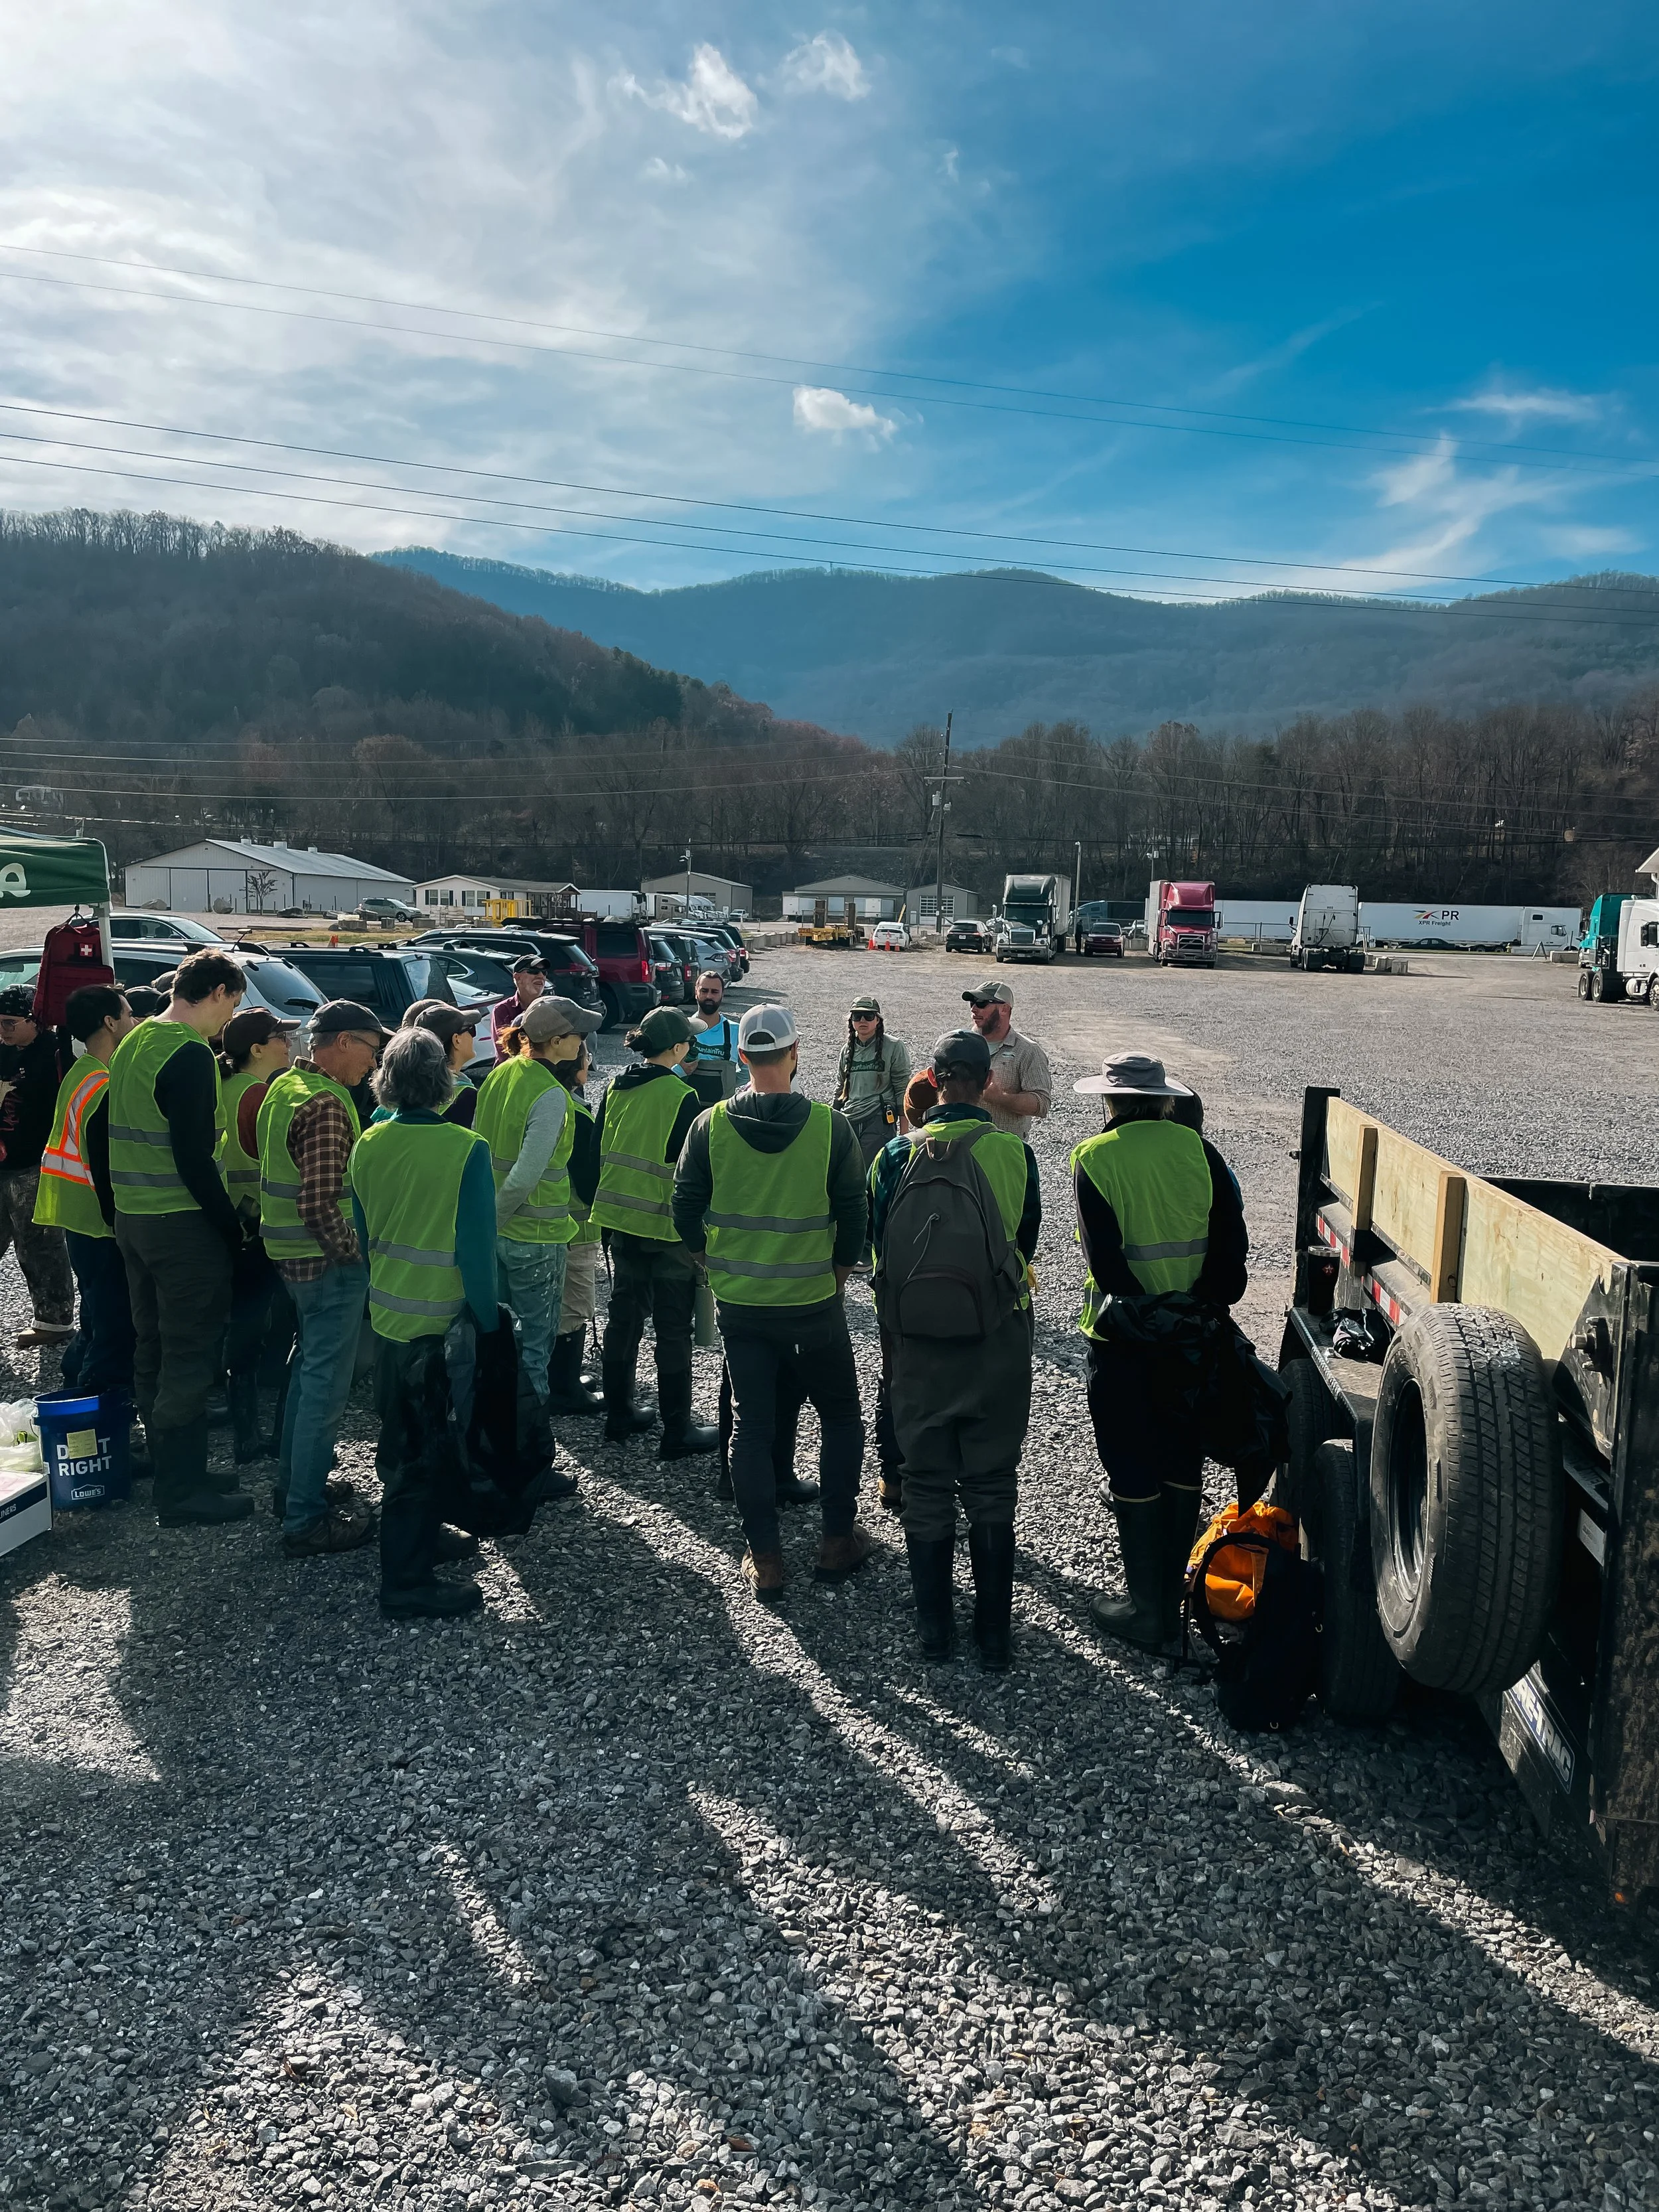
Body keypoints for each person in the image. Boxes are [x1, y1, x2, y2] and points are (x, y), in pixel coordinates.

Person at [673, 1003, 870, 1602]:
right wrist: (836, 1274)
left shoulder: (709, 1126)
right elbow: (853, 1213)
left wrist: (711, 1261)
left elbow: (684, 1208)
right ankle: (837, 1541)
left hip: (743, 1308)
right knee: (838, 1415)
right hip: (813, 1303)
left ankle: (765, 1559)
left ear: (741, 1056)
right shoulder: (830, 1127)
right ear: (795, 1053)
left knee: (752, 1426)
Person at [869, 1029, 1042, 1669]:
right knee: (993, 1481)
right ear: (985, 1080)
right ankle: (994, 1638)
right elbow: (1026, 1240)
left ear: (936, 1079)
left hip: (917, 1342)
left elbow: (877, 1244)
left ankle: (934, 1633)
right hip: (996, 1336)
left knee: (927, 1480)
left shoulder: (894, 1155)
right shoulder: (1013, 1154)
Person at [1071, 1051, 1248, 1649]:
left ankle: (1147, 1609)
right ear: (1167, 1100)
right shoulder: (1203, 1153)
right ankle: (1172, 1599)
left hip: (1123, 1342)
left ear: (1111, 1101)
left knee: (1130, 1464)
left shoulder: (1094, 1158)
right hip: (1194, 1337)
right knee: (1180, 1456)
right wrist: (1191, 1306)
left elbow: (1108, 1269)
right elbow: (1232, 1262)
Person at [349, 1027, 500, 1619]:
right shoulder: (466, 1149)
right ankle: (406, 1578)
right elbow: (477, 1251)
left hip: (388, 1312)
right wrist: (489, 1326)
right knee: (421, 1449)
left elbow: (363, 1235)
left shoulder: (369, 1142)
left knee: (404, 1432)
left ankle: (425, 1533)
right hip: (441, 1319)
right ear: (442, 1081)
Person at [109, 948, 251, 1524]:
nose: (231, 1020)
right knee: (189, 1351)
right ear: (216, 991)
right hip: (179, 1222)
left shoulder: (135, 1041)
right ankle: (182, 1488)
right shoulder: (190, 1054)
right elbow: (195, 1158)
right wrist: (230, 1227)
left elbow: (104, 1131)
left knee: (153, 1347)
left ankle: (177, 1467)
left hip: (134, 1218)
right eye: (234, 1004)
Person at [256, 1000, 387, 1555]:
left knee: (307, 1376)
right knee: (323, 1393)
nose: (375, 1062)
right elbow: (318, 1203)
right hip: (325, 1264)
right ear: (339, 1042)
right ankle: (306, 1519)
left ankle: (296, 1488)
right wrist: (354, 1255)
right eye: (369, 1048)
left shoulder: (285, 1087)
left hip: (289, 1258)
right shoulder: (328, 1104)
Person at [474, 994, 600, 1455]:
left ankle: (494, 1442)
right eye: (578, 1033)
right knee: (534, 1350)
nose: (584, 1040)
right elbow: (526, 1175)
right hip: (536, 1238)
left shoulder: (501, 1073)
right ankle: (529, 1457)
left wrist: (486, 1227)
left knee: (500, 1346)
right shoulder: (551, 1094)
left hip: (501, 1236)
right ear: (555, 1040)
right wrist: (496, 1220)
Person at [591, 1005, 718, 1457]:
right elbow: (694, 1174)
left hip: (620, 1227)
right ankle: (676, 1430)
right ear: (679, 1047)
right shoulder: (682, 1097)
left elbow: (595, 1153)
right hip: (665, 1232)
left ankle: (619, 1414)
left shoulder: (614, 1087)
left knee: (623, 1318)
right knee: (672, 1329)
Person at [35, 985, 136, 1397]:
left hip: (77, 1214)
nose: (135, 1021)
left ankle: (75, 1383)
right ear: (111, 1023)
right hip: (99, 1219)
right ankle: (97, 1412)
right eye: (129, 1013)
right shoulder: (103, 1084)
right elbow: (106, 1163)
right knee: (113, 1321)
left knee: (97, 1311)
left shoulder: (82, 1072)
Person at [217, 1008, 299, 1463]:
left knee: (241, 1333)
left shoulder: (225, 1088)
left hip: (232, 1225)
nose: (288, 1044)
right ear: (257, 1049)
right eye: (279, 1038)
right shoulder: (261, 1097)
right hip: (262, 1231)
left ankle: (244, 1429)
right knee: (263, 1333)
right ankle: (255, 1437)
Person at [0, 984, 74, 1349]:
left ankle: (55, 1321)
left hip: (34, 1162)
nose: (3, 1031)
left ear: (34, 1020)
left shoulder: (55, 1053)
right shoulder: (2, 1051)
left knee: (39, 1246)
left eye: (10, 1023)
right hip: (2, 1159)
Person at [549, 1033, 604, 1415]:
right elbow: (587, 1181)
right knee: (574, 1306)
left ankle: (561, 1377)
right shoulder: (577, 1114)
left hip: (551, 1225)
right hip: (578, 1227)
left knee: (555, 1303)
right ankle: (566, 1389)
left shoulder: (545, 1101)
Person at [962, 979, 1052, 1139]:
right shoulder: (961, 1043)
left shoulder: (1028, 1051)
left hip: (1005, 1152)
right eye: (972, 1003)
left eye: (982, 1003)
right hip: (963, 1148)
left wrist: (999, 1098)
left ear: (1004, 1009)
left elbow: (1042, 1104)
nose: (974, 1009)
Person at [833, 995, 913, 1169]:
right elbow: (840, 1087)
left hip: (879, 1119)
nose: (863, 1020)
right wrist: (832, 1119)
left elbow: (902, 1088)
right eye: (857, 1016)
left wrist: (904, 1133)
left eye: (869, 1016)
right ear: (851, 1020)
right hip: (849, 1118)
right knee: (847, 1172)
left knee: (871, 1172)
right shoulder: (847, 1050)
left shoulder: (894, 1046)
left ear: (877, 1020)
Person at [399, 999, 484, 1127]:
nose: (473, 1036)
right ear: (457, 1040)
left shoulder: (407, 1090)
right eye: (470, 1030)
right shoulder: (466, 1097)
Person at [686, 970, 741, 1105]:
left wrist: (728, 1082)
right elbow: (667, 1070)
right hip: (686, 1109)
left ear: (723, 994)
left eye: (715, 992)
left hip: (720, 1113)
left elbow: (746, 1072)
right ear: (696, 992)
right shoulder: (682, 1029)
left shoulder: (735, 1031)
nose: (709, 996)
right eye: (704, 991)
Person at [490, 954, 547, 1047]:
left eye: (544, 972)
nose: (541, 976)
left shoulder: (551, 1007)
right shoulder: (502, 1010)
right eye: (534, 971)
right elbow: (504, 1050)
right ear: (518, 978)